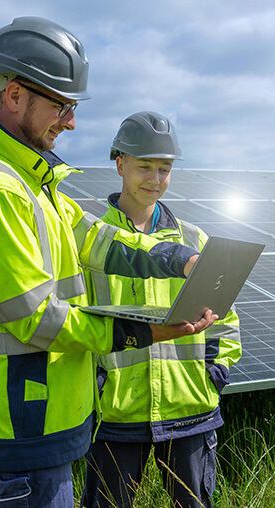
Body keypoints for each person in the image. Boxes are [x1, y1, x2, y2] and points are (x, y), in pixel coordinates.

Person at [0, 18, 217, 508]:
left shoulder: (31, 183)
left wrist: (182, 259)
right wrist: (145, 332)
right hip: (19, 428)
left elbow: (100, 241)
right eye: (62, 106)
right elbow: (35, 318)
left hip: (43, 420)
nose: (70, 122)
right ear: (16, 95)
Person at [81, 111, 241, 508]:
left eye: (164, 169)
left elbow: (226, 320)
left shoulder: (194, 239)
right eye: (144, 167)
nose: (155, 180)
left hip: (190, 412)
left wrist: (211, 375)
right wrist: (94, 389)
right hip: (115, 417)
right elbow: (72, 319)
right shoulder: (91, 240)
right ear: (120, 163)